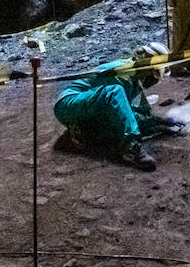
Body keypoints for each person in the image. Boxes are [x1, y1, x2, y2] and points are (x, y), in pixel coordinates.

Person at [52, 43, 183, 171]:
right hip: (67, 105)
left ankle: (83, 131)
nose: (154, 80)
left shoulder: (132, 78)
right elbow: (124, 114)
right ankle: (132, 147)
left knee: (121, 121)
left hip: (86, 105)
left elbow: (133, 115)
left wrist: (160, 123)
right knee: (114, 93)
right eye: (154, 75)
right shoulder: (122, 73)